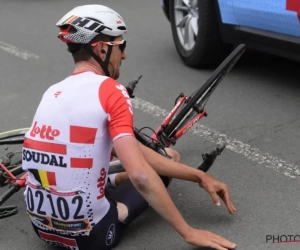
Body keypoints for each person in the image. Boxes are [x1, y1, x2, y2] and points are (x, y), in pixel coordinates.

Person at [21, 4, 237, 250]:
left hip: (41, 228)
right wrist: (188, 232)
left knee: (162, 158)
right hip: (89, 237)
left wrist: (198, 175)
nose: (123, 55)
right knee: (159, 169)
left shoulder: (52, 91)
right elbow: (142, 175)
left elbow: (134, 150)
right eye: (120, 45)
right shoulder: (112, 92)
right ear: (102, 49)